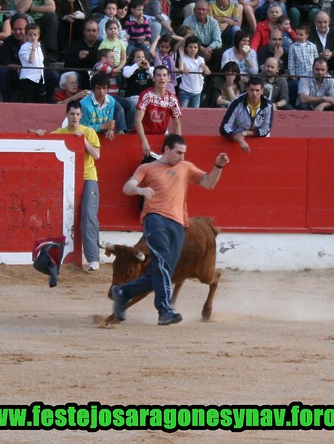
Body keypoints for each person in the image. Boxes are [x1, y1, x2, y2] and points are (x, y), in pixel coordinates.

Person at [110, 133, 229, 325]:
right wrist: (140, 190)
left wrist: (218, 166)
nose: (182, 157)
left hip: (179, 224)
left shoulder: (186, 167)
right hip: (155, 219)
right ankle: (164, 310)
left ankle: (122, 292)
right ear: (166, 150)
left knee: (162, 271)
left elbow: (209, 183)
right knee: (163, 266)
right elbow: (128, 186)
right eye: (178, 153)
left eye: (184, 153)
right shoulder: (147, 167)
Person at [52, 101, 103, 271]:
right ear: (67, 115)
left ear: (81, 116)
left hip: (88, 178)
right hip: (67, 180)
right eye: (72, 114)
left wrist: (83, 140)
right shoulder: (60, 133)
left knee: (88, 215)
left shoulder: (88, 132)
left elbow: (96, 155)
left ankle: (93, 258)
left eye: (77, 114)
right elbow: (46, 140)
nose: (74, 117)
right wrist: (38, 133)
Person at [0, 13, 58, 103]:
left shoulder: (38, 43)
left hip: (36, 74)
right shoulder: (7, 42)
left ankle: (47, 104)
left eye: (21, 29)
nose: (18, 32)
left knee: (54, 75)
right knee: (3, 72)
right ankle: (6, 102)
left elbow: (44, 62)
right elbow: (4, 62)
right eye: (15, 29)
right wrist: (18, 67)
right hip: (16, 75)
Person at [135, 65, 182, 158]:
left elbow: (177, 122)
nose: (162, 78)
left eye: (164, 75)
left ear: (168, 78)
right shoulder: (147, 95)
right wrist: (144, 141)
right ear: (153, 78)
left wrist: (177, 145)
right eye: (158, 75)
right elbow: (137, 120)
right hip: (142, 136)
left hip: (160, 137)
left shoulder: (172, 99)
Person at [219, 76, 274, 153]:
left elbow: (266, 129)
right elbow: (224, 127)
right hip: (236, 138)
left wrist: (246, 133)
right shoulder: (236, 103)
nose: (254, 93)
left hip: (257, 136)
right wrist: (237, 137)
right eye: (252, 90)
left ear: (262, 91)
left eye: (257, 90)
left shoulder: (268, 105)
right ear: (247, 89)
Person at [183, 1, 223, 74]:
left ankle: (213, 78)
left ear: (208, 11)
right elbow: (187, 39)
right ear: (194, 10)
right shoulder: (188, 21)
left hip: (209, 48)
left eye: (203, 9)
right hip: (195, 47)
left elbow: (218, 41)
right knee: (190, 49)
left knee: (218, 53)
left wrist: (208, 48)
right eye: (198, 9)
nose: (201, 12)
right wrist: (201, 49)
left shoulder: (213, 22)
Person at [64, 19, 101, 90]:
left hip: (97, 76)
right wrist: (78, 57)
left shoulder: (102, 46)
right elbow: (67, 65)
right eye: (88, 30)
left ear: (98, 32)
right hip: (80, 76)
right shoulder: (75, 45)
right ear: (84, 32)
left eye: (94, 30)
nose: (91, 33)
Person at [309, 11, 334, 78]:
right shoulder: (311, 32)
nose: (323, 25)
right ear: (315, 22)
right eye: (320, 22)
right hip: (316, 60)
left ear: (329, 22)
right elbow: (308, 49)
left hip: (330, 59)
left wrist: (331, 53)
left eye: (325, 22)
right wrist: (320, 54)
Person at [80, 72, 116, 138]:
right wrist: (103, 126)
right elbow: (82, 129)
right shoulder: (85, 105)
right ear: (93, 89)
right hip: (87, 137)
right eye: (98, 88)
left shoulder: (111, 101)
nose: (101, 92)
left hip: (103, 136)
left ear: (108, 89)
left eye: (104, 88)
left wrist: (110, 130)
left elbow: (109, 122)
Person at [178, 35, 211, 108]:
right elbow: (180, 68)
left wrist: (206, 70)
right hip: (185, 92)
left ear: (198, 49)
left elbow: (203, 66)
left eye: (195, 47)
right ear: (186, 48)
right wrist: (183, 70)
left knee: (195, 114)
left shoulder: (200, 59)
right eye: (190, 47)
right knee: (183, 113)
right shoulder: (183, 59)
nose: (193, 49)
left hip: (197, 93)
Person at [18, 23, 46, 103]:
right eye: (30, 35)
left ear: (38, 35)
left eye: (35, 35)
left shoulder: (39, 46)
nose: (33, 37)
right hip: (29, 78)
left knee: (41, 100)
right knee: (28, 100)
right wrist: (33, 48)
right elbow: (31, 60)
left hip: (40, 77)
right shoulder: (24, 47)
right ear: (26, 36)